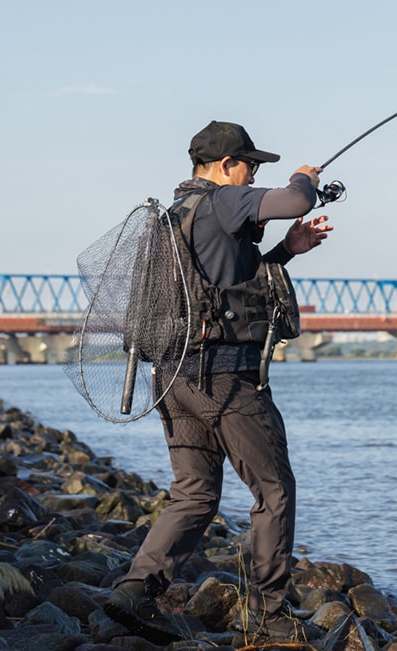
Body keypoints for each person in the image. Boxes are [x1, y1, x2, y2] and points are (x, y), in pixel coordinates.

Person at [104, 120, 333, 645]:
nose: (252, 175)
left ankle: (133, 591)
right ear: (226, 166)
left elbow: (226, 289)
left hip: (173, 379)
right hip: (227, 378)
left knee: (195, 493)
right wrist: (302, 177)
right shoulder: (224, 201)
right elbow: (294, 201)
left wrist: (285, 252)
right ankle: (271, 615)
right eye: (249, 166)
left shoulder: (173, 218)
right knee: (273, 491)